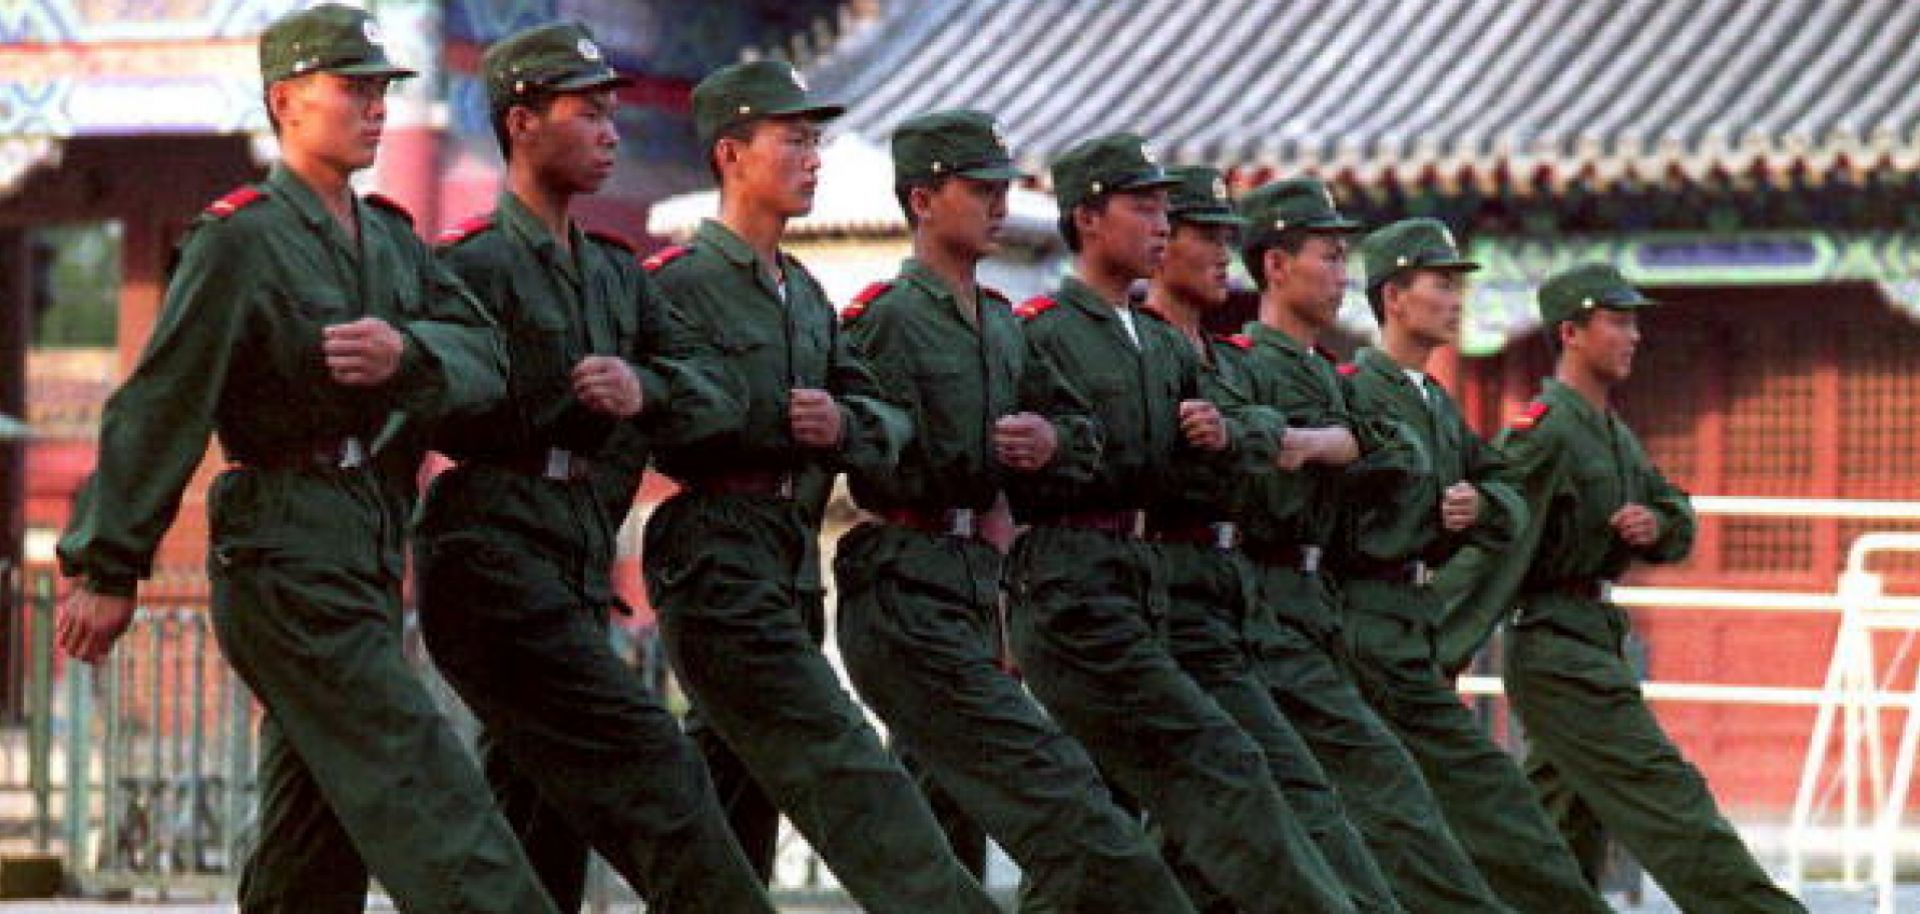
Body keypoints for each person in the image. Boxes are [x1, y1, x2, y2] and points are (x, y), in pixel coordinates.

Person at [52, 6, 557, 912]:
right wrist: (106, 564)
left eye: (380, 90)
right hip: (283, 550)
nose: (374, 108)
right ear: (285, 100)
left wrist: (407, 355)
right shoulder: (239, 240)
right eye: (351, 88)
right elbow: (163, 400)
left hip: (364, 542)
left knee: (312, 832)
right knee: (424, 785)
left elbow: (489, 358)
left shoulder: (395, 240)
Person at [415, 23, 775, 914]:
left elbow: (709, 388)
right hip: (490, 558)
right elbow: (417, 403)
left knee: (541, 817)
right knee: (651, 761)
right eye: (589, 114)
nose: (613, 133)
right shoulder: (472, 266)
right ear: (523, 121)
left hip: (574, 562)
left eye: (616, 115)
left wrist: (641, 388)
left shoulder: (618, 276)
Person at [640, 60, 997, 913]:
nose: (813, 158)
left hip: (791, 560)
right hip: (716, 556)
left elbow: (883, 416)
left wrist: (845, 429)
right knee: (844, 761)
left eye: (816, 141)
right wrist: (764, 416)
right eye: (794, 139)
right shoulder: (674, 287)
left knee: (735, 802)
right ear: (731, 153)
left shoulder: (802, 293)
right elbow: (646, 411)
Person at [833, 108, 1197, 914]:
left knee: (952, 809)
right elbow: (865, 446)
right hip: (907, 578)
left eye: (1003, 187)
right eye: (979, 188)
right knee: (1058, 796)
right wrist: (976, 452)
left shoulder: (1001, 324)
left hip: (975, 585)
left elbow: (1079, 431)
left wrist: (1050, 443)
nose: (999, 203)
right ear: (924, 200)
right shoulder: (885, 319)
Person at [1006, 132, 1359, 914]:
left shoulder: (1160, 346)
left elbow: (1218, 453)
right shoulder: (1041, 331)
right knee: (1216, 763)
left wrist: (1230, 435)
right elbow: (1004, 463)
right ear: (1089, 219)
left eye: (1169, 209)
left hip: (1143, 587)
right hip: (1071, 585)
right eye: (1145, 207)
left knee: (1099, 819)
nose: (1162, 224)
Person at [1438, 262, 1808, 914]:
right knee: (1666, 797)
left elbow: (1676, 513)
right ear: (1573, 332)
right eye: (1618, 320)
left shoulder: (1611, 431)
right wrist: (1431, 647)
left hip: (1593, 639)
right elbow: (1493, 540)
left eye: (1635, 320)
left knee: (1561, 828)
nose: (1634, 334)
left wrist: (1655, 522)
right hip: (1557, 649)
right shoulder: (1546, 429)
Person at [1230, 177, 1538, 913]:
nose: (1344, 276)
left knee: (1327, 811)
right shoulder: (1261, 368)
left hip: (1339, 616)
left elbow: (1425, 465)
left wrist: (1470, 498)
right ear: (1276, 265)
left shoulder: (1364, 387)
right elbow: (1359, 483)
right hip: (1302, 611)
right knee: (1376, 804)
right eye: (1331, 258)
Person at [1141, 165, 1401, 913]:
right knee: (1224, 793)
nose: (1226, 252)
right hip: (1160, 588)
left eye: (1230, 236)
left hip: (1234, 597)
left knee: (1216, 803)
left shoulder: (1223, 362)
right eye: (1208, 235)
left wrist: (1303, 441)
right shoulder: (1158, 351)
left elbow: (1371, 449)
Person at [1338, 217, 1610, 912]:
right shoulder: (1357, 392)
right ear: (1394, 297)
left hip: (1412, 630)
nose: (1457, 300)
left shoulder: (1433, 400)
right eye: (1442, 284)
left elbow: (1508, 497)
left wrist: (1479, 508)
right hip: (1359, 629)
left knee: (1485, 803)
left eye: (1460, 286)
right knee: (1400, 823)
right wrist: (1435, 509)